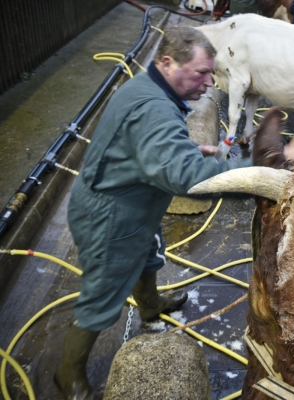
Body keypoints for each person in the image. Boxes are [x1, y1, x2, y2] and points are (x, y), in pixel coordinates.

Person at [53, 26, 252, 399]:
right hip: (111, 216)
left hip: (131, 202)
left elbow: (157, 152)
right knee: (102, 295)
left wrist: (191, 153)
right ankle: (68, 376)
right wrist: (253, 174)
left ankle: (150, 306)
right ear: (168, 63)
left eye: (212, 73)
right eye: (201, 73)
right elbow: (185, 178)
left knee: (146, 256)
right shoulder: (154, 109)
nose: (210, 83)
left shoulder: (149, 88)